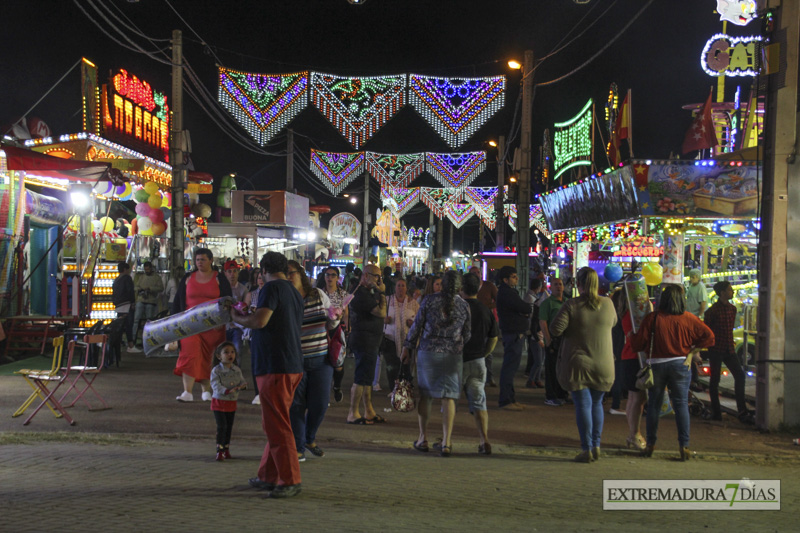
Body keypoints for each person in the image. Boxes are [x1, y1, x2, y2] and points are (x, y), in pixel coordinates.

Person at [232, 251, 304, 499]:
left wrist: (236, 317)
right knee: (274, 422)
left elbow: (260, 321)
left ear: (263, 270)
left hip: (276, 365)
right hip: (289, 363)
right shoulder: (293, 291)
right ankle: (268, 475)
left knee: (278, 425)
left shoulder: (271, 289)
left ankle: (290, 479)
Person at [631, 284, 715, 461]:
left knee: (653, 405)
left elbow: (638, 344)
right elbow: (709, 337)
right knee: (681, 405)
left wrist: (632, 336)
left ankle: (651, 444)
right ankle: (684, 446)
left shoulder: (653, 318)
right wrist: (692, 352)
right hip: (681, 364)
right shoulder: (689, 319)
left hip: (656, 366)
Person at [550, 267, 617, 463]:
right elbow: (613, 323)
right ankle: (596, 445)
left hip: (578, 363)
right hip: (604, 363)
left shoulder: (572, 305)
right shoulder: (608, 304)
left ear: (578, 284)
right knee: (597, 404)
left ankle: (586, 448)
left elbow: (555, 329)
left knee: (583, 405)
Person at [403, 270, 471, 457]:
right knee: (449, 397)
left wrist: (407, 347)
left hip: (428, 353)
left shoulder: (429, 301)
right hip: (452, 355)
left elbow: (417, 326)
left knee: (426, 395)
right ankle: (446, 442)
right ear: (459, 286)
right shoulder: (464, 305)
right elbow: (467, 334)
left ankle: (422, 438)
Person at [286, 260, 341, 462]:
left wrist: (335, 317)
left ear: (301, 274)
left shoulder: (317, 294)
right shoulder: (285, 299)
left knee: (319, 404)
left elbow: (331, 320)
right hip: (296, 360)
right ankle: (299, 446)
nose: (289, 277)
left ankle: (309, 439)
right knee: (296, 405)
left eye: (292, 273)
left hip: (320, 359)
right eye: (285, 274)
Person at [172, 249, 232, 402]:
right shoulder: (187, 278)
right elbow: (178, 301)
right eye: (197, 259)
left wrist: (223, 320)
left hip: (214, 326)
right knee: (189, 355)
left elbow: (228, 300)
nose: (199, 262)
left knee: (209, 357)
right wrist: (174, 322)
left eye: (203, 259)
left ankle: (206, 390)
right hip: (189, 325)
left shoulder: (219, 278)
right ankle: (188, 391)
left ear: (211, 260)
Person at [703, 281, 752, 424]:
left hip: (729, 349)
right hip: (717, 350)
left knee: (740, 377)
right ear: (722, 293)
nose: (732, 292)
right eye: (730, 290)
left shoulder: (732, 309)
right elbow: (708, 332)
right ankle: (716, 412)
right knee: (714, 381)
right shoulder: (712, 312)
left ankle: (741, 411)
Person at [461, 273, 499, 455]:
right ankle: (484, 440)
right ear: (478, 289)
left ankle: (446, 440)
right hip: (477, 362)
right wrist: (484, 353)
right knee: (479, 402)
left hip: (457, 361)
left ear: (461, 289)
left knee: (449, 401)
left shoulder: (458, 309)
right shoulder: (485, 310)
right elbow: (494, 337)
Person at [346, 264, 387, 425]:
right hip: (364, 339)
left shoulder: (367, 291)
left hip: (371, 340)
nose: (378, 280)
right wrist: (382, 292)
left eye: (379, 277)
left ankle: (369, 410)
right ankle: (353, 412)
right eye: (375, 276)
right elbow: (381, 312)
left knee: (367, 378)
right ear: (365, 276)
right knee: (361, 378)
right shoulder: (360, 293)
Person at [614, 287, 650, 451]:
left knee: (633, 398)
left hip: (628, 357)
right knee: (638, 399)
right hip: (635, 358)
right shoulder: (633, 315)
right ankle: (634, 433)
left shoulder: (625, 313)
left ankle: (633, 433)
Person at [495, 266, 533, 410]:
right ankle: (506, 400)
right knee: (509, 368)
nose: (516, 278)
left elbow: (524, 309)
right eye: (513, 276)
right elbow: (526, 308)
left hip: (513, 332)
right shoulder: (507, 293)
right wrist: (523, 312)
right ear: (505, 279)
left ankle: (510, 398)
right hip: (513, 333)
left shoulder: (509, 292)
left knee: (511, 367)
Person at [210, 341, 247, 461]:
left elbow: (241, 381)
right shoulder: (216, 371)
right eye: (226, 352)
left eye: (232, 352)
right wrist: (226, 391)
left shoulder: (236, 369)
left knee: (229, 426)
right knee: (222, 426)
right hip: (220, 401)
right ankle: (219, 450)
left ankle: (226, 449)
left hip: (232, 402)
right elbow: (215, 384)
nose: (230, 355)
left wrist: (243, 385)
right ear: (219, 356)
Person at [381, 277, 419, 390]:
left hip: (407, 340)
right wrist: (384, 319)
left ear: (407, 288)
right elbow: (379, 316)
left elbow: (419, 320)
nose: (400, 288)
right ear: (394, 288)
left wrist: (413, 323)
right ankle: (393, 389)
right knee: (392, 366)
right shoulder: (387, 301)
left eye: (403, 286)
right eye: (398, 285)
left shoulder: (413, 304)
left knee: (405, 365)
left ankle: (405, 389)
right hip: (390, 338)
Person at [539, 277, 569, 406]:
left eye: (560, 284)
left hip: (566, 341)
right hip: (553, 340)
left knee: (563, 369)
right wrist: (548, 340)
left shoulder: (567, 302)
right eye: (556, 284)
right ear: (551, 287)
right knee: (551, 369)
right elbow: (543, 322)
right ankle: (550, 396)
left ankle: (562, 394)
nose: (558, 287)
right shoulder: (547, 303)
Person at [321, 266, 349, 403]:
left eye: (333, 275)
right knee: (323, 363)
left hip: (337, 330)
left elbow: (346, 314)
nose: (330, 277)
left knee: (338, 363)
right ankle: (324, 395)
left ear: (338, 278)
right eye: (327, 275)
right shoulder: (319, 293)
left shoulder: (343, 294)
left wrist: (346, 328)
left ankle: (337, 386)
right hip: (321, 330)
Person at [129, 261, 164, 351]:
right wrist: (139, 289)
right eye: (145, 269)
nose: (147, 271)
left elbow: (161, 288)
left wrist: (150, 289)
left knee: (149, 320)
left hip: (151, 301)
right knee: (137, 319)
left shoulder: (156, 278)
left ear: (151, 268)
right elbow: (135, 287)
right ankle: (133, 338)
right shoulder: (141, 277)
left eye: (148, 269)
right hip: (141, 299)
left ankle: (149, 339)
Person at [474, 266, 498, 386]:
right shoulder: (467, 286)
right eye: (474, 273)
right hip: (471, 323)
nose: (477, 274)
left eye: (478, 272)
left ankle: (489, 377)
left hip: (485, 322)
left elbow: (498, 299)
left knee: (488, 350)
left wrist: (489, 308)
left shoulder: (489, 286)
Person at [224, 260, 251, 359]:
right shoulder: (221, 288)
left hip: (237, 327)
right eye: (229, 271)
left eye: (235, 271)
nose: (232, 274)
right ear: (225, 273)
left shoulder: (243, 289)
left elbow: (246, 308)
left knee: (237, 351)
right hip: (223, 326)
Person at [246, 268, 265, 405]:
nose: (261, 279)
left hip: (269, 332)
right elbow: (243, 310)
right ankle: (258, 392)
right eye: (259, 277)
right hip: (254, 332)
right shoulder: (251, 294)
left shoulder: (272, 293)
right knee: (256, 362)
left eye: (263, 277)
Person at [524, 278, 547, 389]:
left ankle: (537, 380)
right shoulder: (536, 313)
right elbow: (533, 328)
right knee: (538, 361)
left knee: (540, 361)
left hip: (540, 338)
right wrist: (538, 340)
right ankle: (531, 380)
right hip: (536, 338)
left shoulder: (542, 315)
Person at [112, 261, 136, 352]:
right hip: (127, 304)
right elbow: (130, 291)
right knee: (129, 325)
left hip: (118, 305)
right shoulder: (127, 278)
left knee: (120, 326)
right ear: (125, 269)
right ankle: (130, 345)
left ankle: (118, 343)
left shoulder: (116, 280)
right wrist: (133, 302)